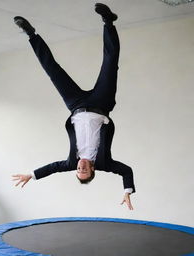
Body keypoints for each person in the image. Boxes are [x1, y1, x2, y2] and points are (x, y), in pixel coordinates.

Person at [12, 3, 136, 210]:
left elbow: (53, 168)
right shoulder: (105, 163)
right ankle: (108, 22)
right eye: (84, 170)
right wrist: (127, 191)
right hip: (101, 104)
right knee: (110, 63)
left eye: (78, 170)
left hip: (76, 105)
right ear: (93, 169)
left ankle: (31, 35)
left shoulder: (71, 162)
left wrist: (31, 175)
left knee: (53, 71)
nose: (80, 167)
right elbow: (126, 171)